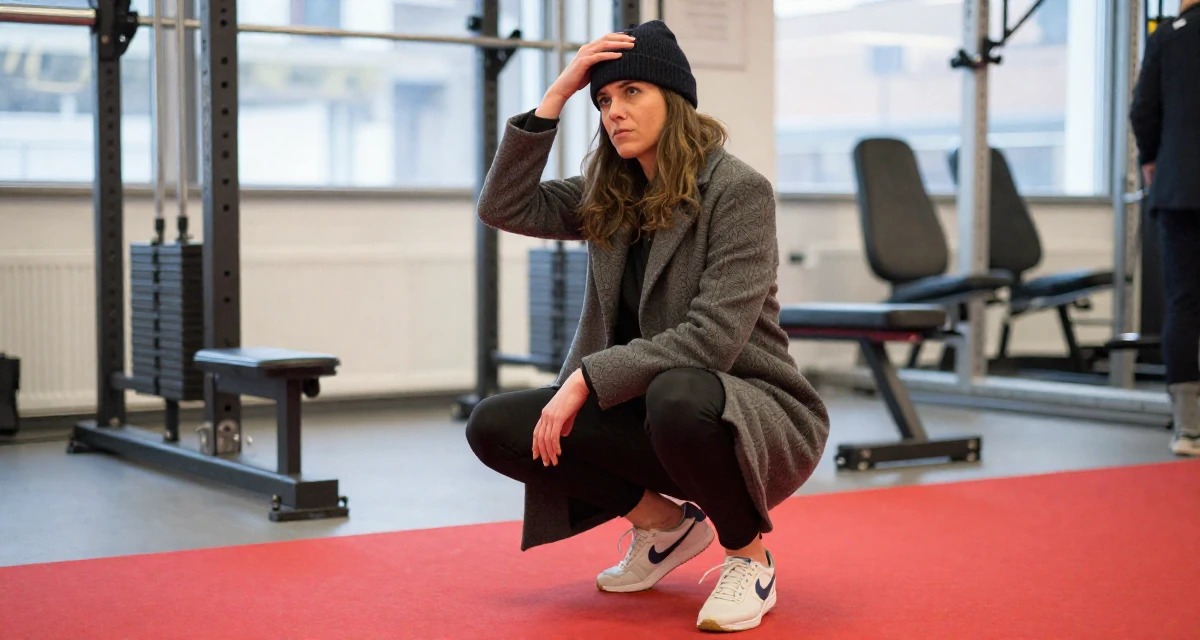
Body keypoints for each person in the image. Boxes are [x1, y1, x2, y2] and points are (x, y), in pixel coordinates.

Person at [464, 19, 830, 634]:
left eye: (632, 92)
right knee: (496, 426)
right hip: (649, 412)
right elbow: (503, 206)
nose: (614, 111)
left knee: (677, 388)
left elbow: (712, 338)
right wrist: (555, 97)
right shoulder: (610, 192)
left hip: (744, 410)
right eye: (603, 100)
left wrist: (584, 379)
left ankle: (750, 559)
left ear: (675, 100)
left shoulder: (738, 191)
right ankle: (666, 527)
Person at [1131, 0, 1200, 457]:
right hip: (1179, 185)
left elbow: (1143, 110)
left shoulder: (1168, 36)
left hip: (1181, 189)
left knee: (1184, 303)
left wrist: (1152, 160)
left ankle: (1189, 429)